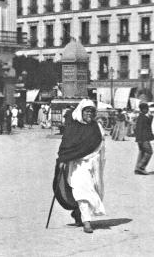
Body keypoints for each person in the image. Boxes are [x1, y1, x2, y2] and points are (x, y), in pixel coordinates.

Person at [55, 99, 106, 234]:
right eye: (87, 111)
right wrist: (63, 159)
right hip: (78, 165)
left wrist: (98, 160)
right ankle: (86, 222)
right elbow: (66, 145)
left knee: (94, 190)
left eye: (92, 111)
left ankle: (78, 214)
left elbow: (101, 145)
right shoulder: (73, 127)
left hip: (94, 164)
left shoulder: (96, 127)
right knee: (82, 190)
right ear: (81, 112)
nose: (89, 114)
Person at [134, 103, 154, 175]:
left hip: (141, 138)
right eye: (146, 108)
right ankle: (141, 167)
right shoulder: (142, 118)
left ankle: (137, 168)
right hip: (143, 139)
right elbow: (140, 129)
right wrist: (140, 139)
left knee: (142, 152)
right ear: (143, 109)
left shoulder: (142, 117)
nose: (148, 109)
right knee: (149, 152)